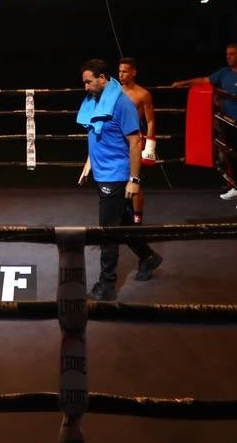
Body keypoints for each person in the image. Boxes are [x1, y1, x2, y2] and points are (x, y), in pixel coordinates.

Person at [77, 59, 162, 301]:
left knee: (108, 231)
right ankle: (148, 256)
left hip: (115, 175)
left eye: (88, 82)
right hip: (101, 171)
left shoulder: (121, 103)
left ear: (102, 78)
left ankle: (107, 284)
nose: (85, 87)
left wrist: (134, 179)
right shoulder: (97, 100)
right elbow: (96, 132)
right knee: (121, 222)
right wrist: (88, 163)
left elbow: (135, 142)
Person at [172, 43, 237, 211]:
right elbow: (204, 80)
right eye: (227, 54)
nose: (228, 56)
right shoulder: (224, 73)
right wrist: (183, 82)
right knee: (233, 157)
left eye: (232, 54)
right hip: (228, 122)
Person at [118, 57, 156, 224]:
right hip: (116, 141)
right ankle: (120, 212)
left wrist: (150, 146)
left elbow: (150, 121)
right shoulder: (114, 92)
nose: (121, 74)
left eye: (125, 71)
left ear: (133, 72)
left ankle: (137, 216)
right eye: (119, 71)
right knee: (117, 178)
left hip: (134, 140)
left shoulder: (143, 94)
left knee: (135, 179)